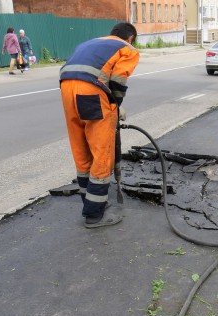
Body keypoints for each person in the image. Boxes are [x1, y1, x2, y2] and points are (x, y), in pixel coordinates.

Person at [59, 22, 140, 228]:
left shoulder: (91, 43)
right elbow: (118, 82)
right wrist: (116, 105)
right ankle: (95, 215)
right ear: (130, 38)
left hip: (67, 89)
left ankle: (90, 203)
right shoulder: (127, 49)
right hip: (91, 93)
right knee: (102, 152)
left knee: (81, 148)